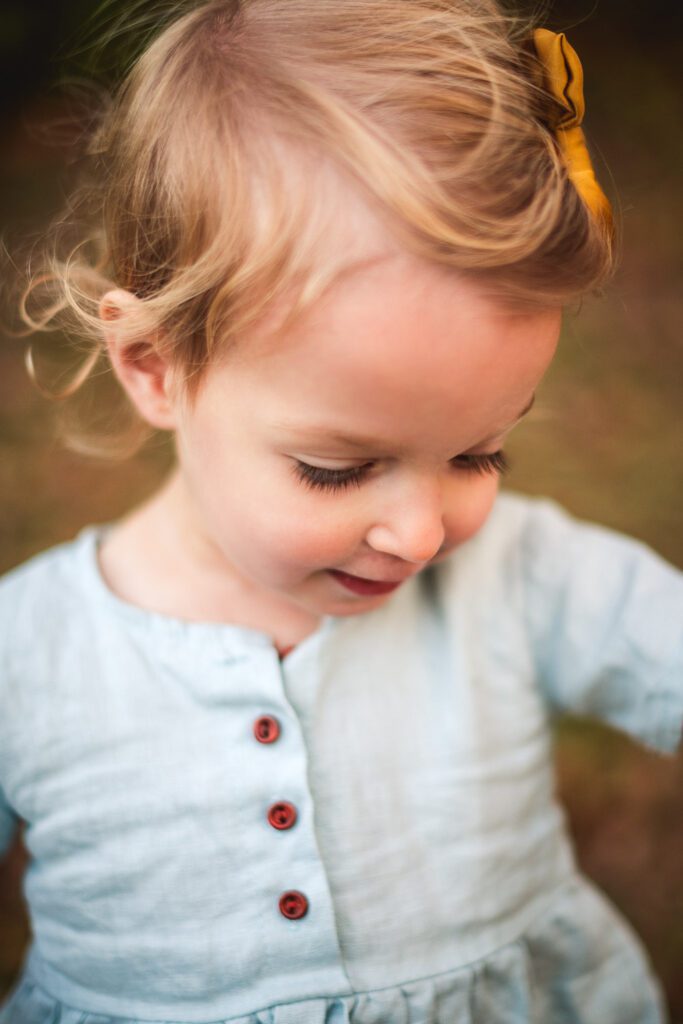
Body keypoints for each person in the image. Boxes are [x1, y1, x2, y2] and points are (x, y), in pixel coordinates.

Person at [0, 1, 680, 1021]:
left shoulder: (519, 576)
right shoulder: (30, 656)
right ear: (153, 365)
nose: (419, 535)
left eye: (476, 452)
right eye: (334, 468)